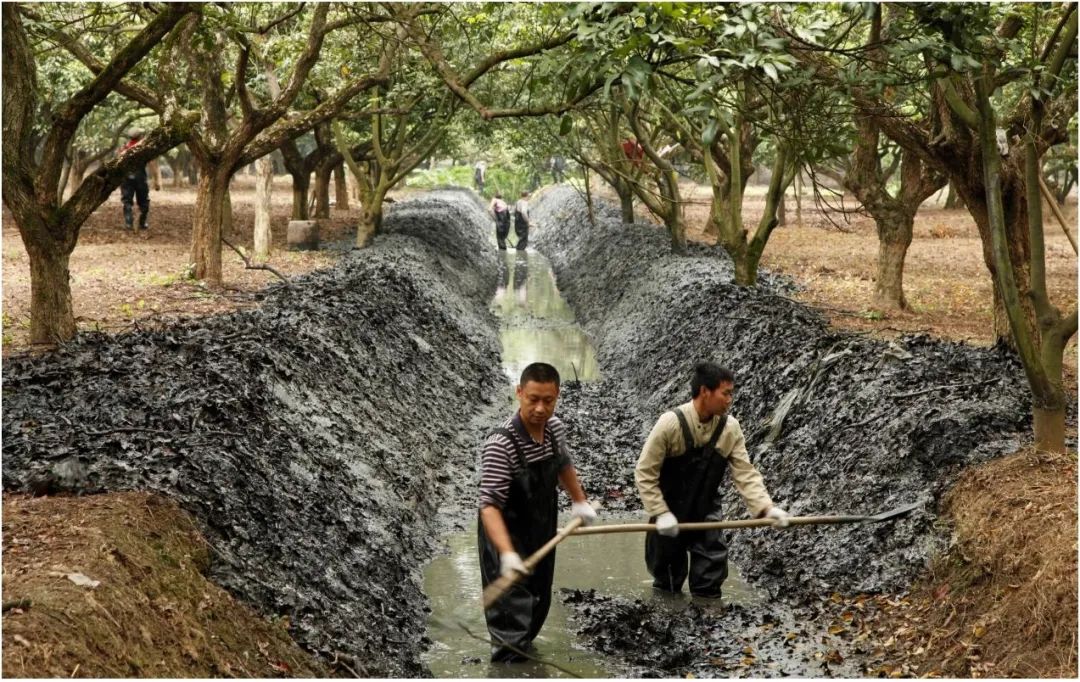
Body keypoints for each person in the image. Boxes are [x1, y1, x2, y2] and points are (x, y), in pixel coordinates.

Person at [634, 362, 789, 599]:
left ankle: (707, 620)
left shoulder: (730, 429)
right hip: (668, 512)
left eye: (731, 394)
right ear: (705, 391)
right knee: (666, 582)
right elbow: (645, 472)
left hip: (706, 511)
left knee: (710, 578)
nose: (730, 400)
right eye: (725, 393)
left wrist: (766, 508)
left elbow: (745, 473)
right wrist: (659, 511)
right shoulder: (670, 424)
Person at [478, 362, 597, 662]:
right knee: (510, 628)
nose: (541, 409)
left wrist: (579, 501)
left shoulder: (555, 430)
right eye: (533, 399)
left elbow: (563, 464)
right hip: (505, 539)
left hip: (542, 534)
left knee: (537, 608)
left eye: (549, 400)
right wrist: (506, 554)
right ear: (519, 393)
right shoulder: (501, 444)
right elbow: (488, 506)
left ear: (557, 396)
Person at [119, 130, 154, 231]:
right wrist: (156, 179)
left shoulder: (124, 148)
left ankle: (129, 223)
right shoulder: (143, 149)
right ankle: (142, 223)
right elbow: (151, 163)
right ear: (139, 137)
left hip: (126, 178)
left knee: (126, 201)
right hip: (140, 178)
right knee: (144, 201)